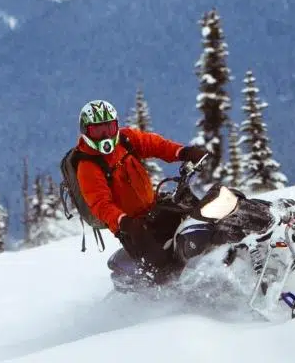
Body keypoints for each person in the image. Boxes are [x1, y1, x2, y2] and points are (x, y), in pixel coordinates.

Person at [74, 99, 207, 288]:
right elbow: (100, 204)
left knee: (198, 220)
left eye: (109, 128)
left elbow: (154, 144)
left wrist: (183, 152)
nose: (105, 135)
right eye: (97, 130)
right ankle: (173, 303)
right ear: (86, 132)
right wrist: (124, 222)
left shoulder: (125, 139)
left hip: (154, 208)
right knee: (163, 270)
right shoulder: (88, 166)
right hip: (133, 228)